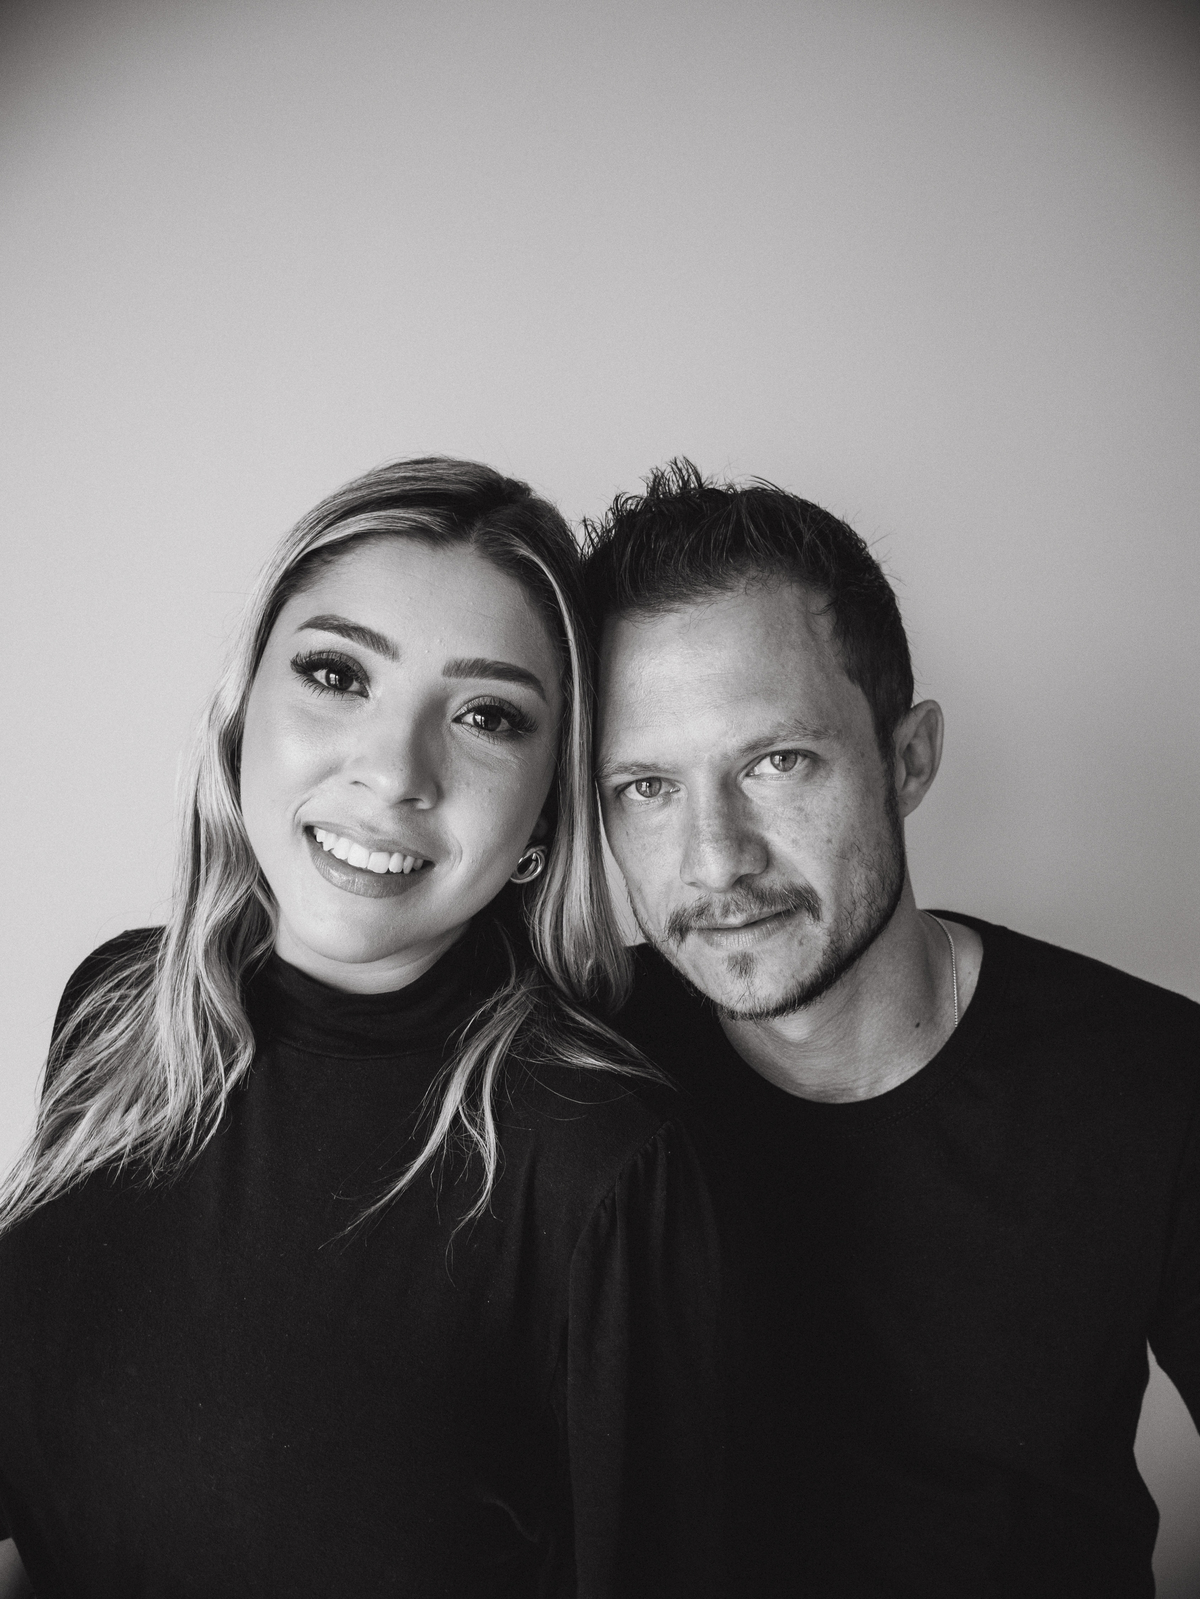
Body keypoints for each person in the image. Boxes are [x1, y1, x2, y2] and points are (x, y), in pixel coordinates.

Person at [0, 458, 726, 1599]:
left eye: (487, 716)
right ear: (243, 710)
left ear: (545, 809)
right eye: (338, 674)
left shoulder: (593, 1160)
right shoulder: (116, 1009)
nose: (394, 773)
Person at [582, 459, 1200, 1599]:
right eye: (647, 788)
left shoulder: (1155, 1083)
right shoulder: (570, 1066)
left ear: (907, 760)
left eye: (776, 762)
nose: (715, 860)